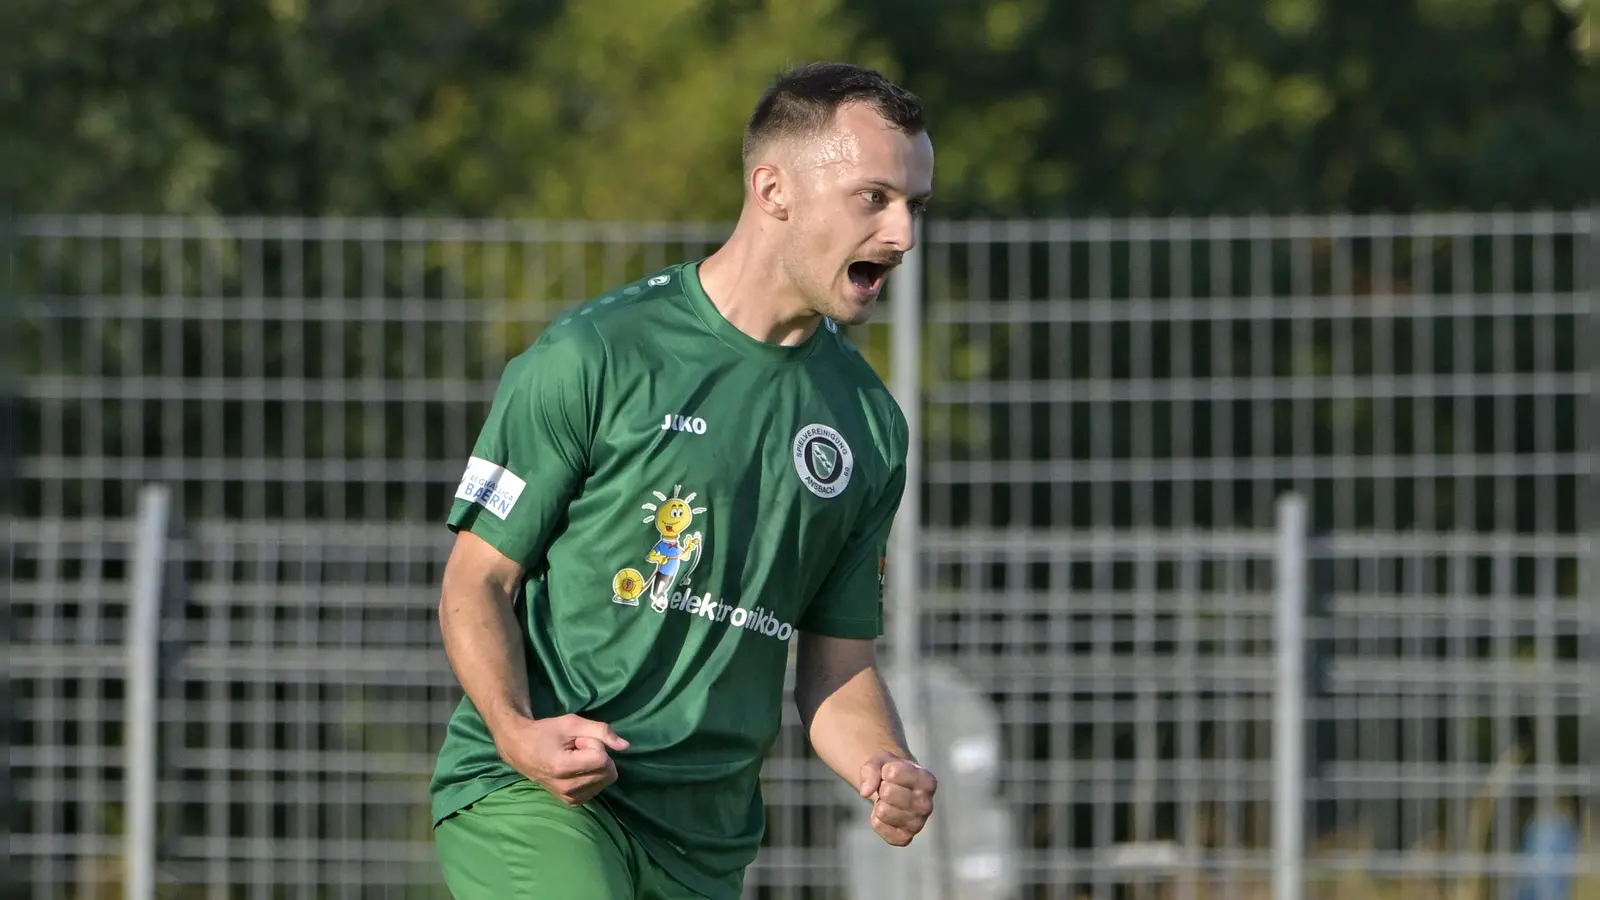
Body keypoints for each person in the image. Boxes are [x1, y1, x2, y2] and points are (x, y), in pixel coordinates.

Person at [429, 60, 938, 900]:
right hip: (537, 800)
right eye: (874, 198)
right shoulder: (595, 357)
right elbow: (476, 580)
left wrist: (882, 761)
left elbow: (836, 664)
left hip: (704, 844)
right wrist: (518, 734)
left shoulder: (869, 428)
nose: (902, 236)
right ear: (773, 189)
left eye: (913, 206)